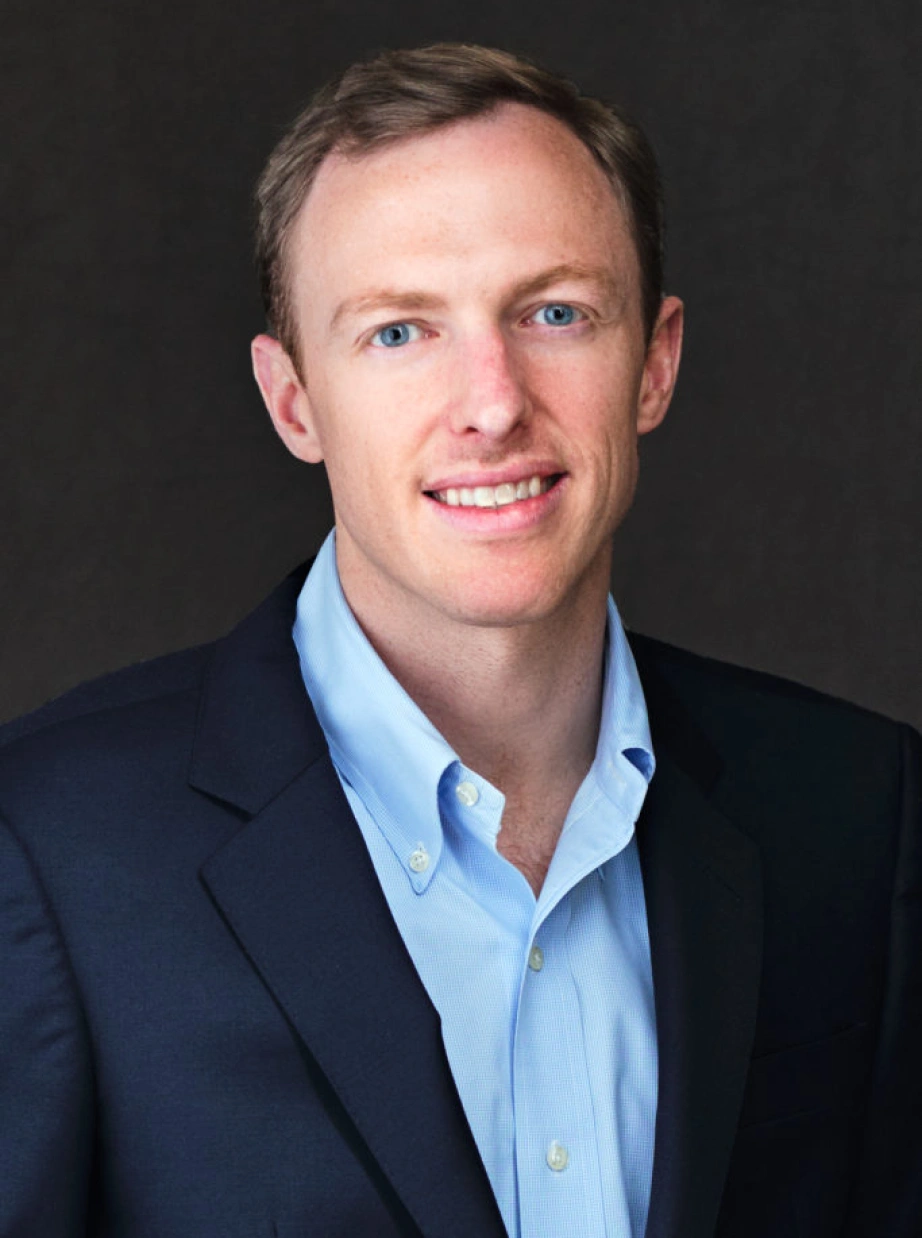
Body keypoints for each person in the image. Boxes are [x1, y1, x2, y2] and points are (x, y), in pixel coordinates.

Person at [0, 42, 919, 1238]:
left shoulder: (859, 809)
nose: (491, 400)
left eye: (554, 311)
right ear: (294, 402)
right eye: (397, 331)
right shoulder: (47, 849)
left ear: (654, 361)